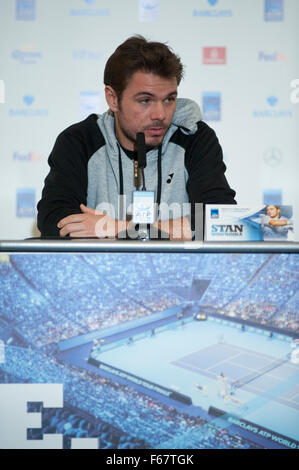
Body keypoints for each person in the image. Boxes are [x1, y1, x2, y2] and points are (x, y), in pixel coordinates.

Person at [37, 35, 236, 240]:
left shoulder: (194, 138)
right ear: (113, 99)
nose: (160, 114)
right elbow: (54, 222)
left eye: (169, 99)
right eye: (145, 100)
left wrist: (116, 228)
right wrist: (172, 230)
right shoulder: (79, 141)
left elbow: (222, 221)